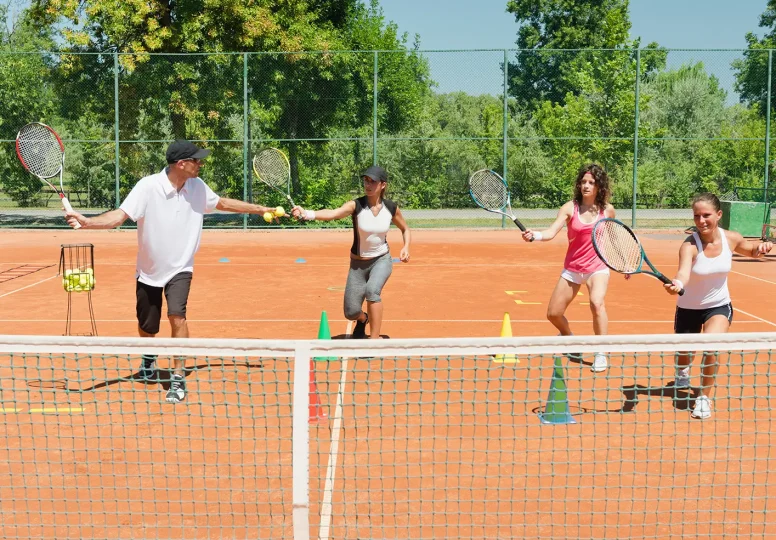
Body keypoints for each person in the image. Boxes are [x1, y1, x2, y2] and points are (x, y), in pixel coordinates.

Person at [64, 140, 283, 404]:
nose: (200, 164)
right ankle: (149, 356)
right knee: (148, 326)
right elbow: (119, 217)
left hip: (182, 266)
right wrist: (88, 222)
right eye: (197, 160)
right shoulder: (147, 187)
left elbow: (222, 203)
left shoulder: (197, 187)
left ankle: (178, 378)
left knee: (177, 315)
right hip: (149, 270)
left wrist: (261, 210)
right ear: (181, 164)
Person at [664, 192, 772, 419]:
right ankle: (682, 370)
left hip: (718, 305)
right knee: (684, 354)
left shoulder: (730, 238)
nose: (701, 221)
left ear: (718, 214)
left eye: (706, 215)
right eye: (696, 216)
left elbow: (749, 250)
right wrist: (677, 283)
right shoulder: (689, 245)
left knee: (712, 347)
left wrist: (760, 249)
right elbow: (683, 271)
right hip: (688, 309)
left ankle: (703, 397)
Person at [291, 165, 410, 339]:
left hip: (381, 260)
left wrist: (406, 246)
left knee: (372, 291)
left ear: (383, 185)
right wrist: (307, 213)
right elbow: (333, 213)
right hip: (358, 265)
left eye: (372, 181)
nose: (367, 185)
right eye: (365, 180)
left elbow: (405, 229)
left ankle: (374, 340)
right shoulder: (356, 205)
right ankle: (363, 320)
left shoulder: (391, 208)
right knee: (351, 311)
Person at [520, 163, 616, 372]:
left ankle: (601, 352)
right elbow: (550, 232)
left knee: (596, 303)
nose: (586, 186)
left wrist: (621, 262)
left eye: (591, 182)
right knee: (553, 314)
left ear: (599, 186)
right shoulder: (569, 208)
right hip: (573, 268)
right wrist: (534, 235)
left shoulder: (607, 210)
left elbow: (613, 237)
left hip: (596, 267)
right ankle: (567, 336)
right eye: (583, 182)